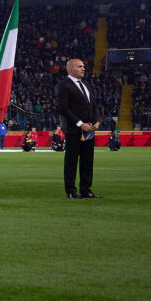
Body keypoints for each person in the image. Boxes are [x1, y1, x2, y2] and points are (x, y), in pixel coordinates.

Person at [55, 58, 101, 199]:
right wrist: (81, 123)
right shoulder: (63, 86)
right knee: (72, 160)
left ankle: (86, 189)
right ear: (70, 69)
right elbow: (64, 108)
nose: (83, 68)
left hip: (89, 130)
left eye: (83, 66)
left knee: (88, 160)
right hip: (74, 130)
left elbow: (93, 105)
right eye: (79, 66)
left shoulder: (86, 85)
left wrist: (97, 121)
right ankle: (71, 190)